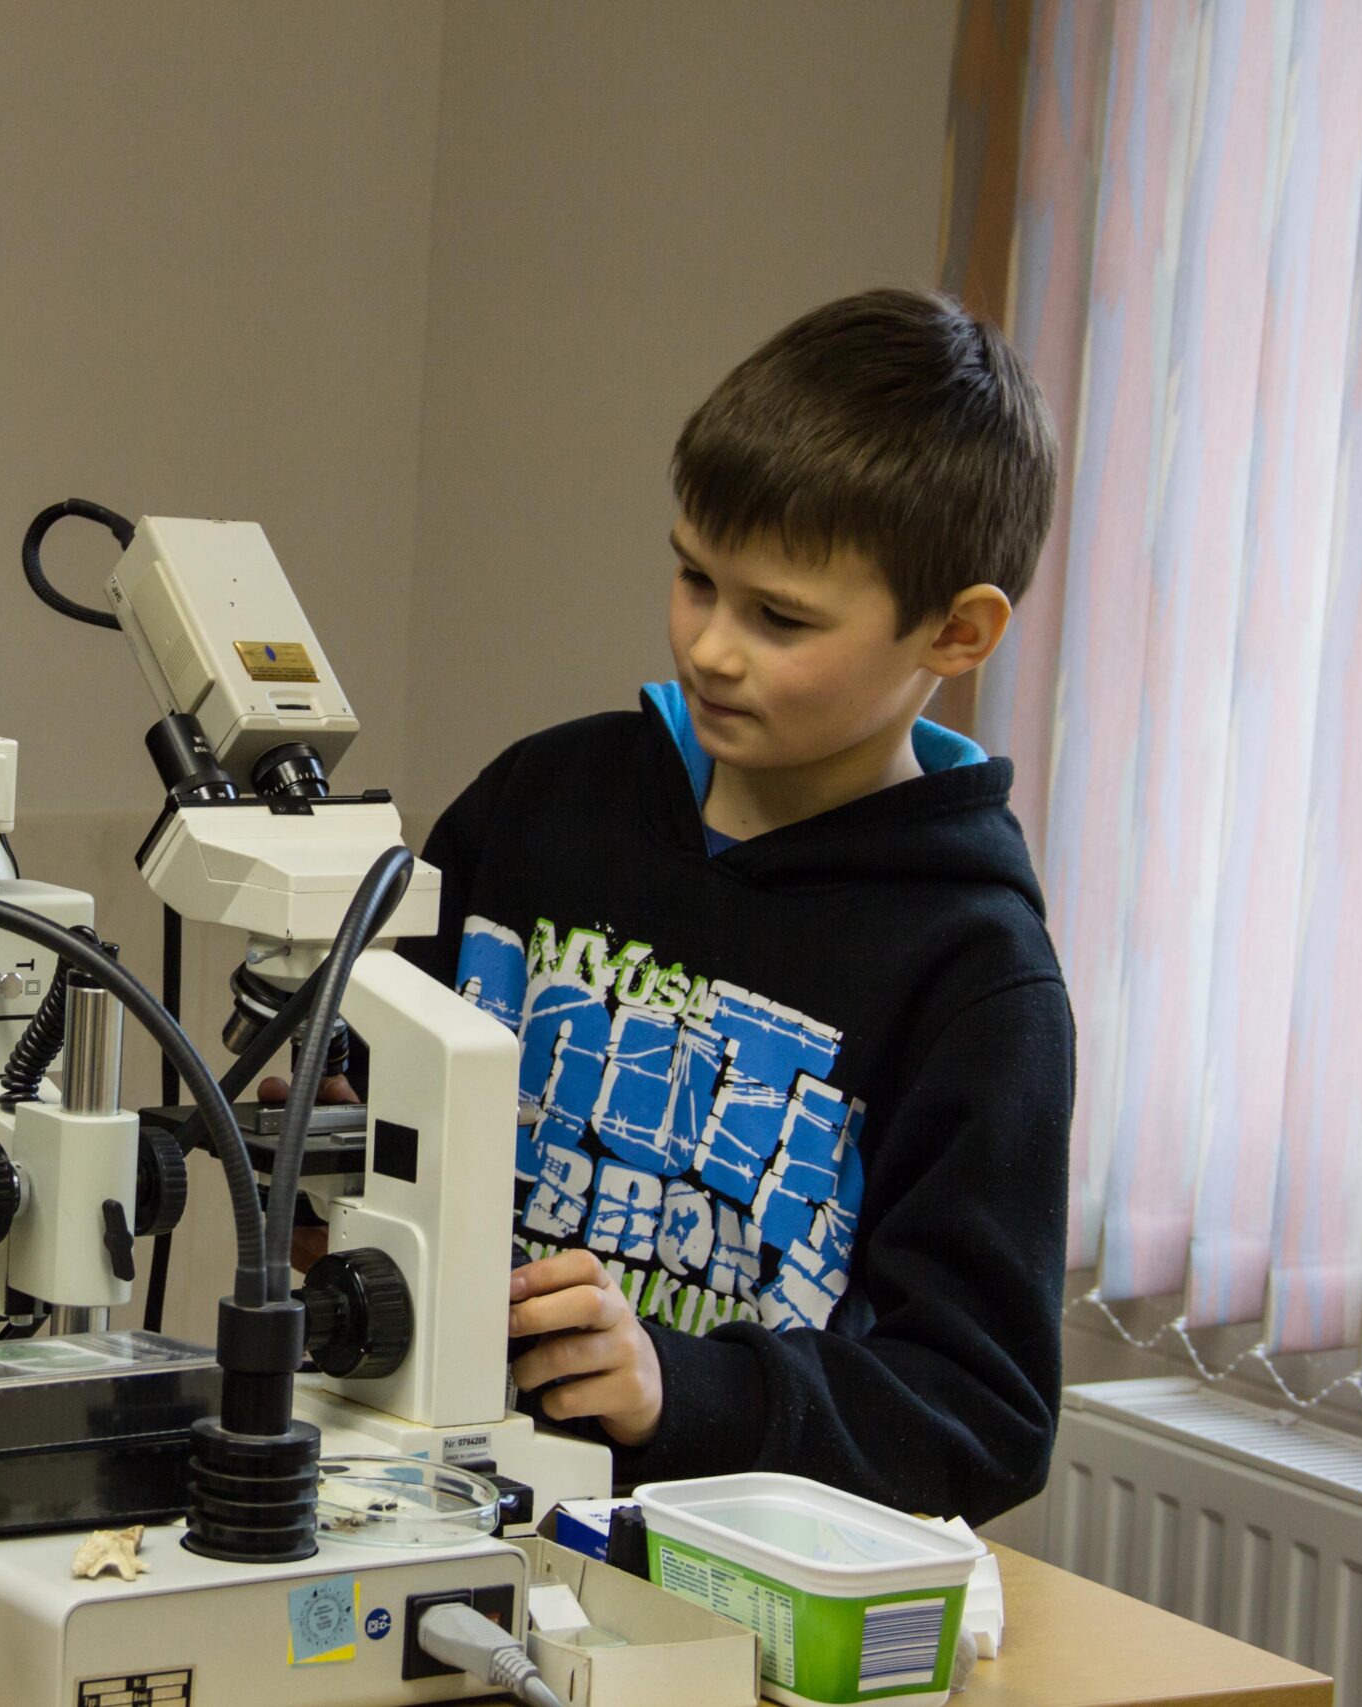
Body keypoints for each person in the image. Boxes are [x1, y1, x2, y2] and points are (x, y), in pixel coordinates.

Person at [409, 289, 1071, 1523]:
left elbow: (980, 1415)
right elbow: (374, 1090)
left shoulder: (975, 968)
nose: (711, 647)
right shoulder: (539, 801)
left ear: (958, 629)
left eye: (780, 618)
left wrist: (687, 1388)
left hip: (726, 1591)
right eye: (695, 579)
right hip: (427, 1502)